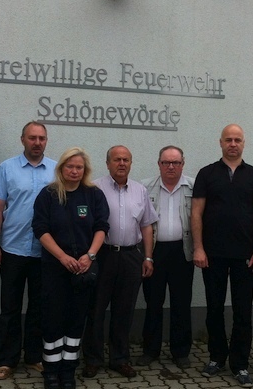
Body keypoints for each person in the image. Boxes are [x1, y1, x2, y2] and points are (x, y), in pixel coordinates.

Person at [191, 124, 253, 388]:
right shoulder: (206, 174)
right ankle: (216, 357)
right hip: (212, 256)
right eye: (228, 140)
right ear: (220, 143)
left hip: (245, 257)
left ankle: (240, 363)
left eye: (237, 140)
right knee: (214, 309)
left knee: (243, 312)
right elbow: (196, 214)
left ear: (244, 143)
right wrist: (198, 248)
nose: (232, 144)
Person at [32, 147, 110, 389]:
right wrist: (62, 257)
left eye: (79, 167)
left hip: (83, 269)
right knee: (53, 319)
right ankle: (51, 371)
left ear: (84, 170)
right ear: (61, 168)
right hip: (55, 268)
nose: (75, 171)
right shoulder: (48, 195)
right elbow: (40, 230)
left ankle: (68, 371)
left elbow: (101, 227)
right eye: (70, 166)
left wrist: (90, 256)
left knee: (76, 320)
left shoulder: (93, 195)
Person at [0, 121, 57, 380]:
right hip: (13, 250)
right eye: (32, 138)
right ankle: (6, 360)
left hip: (45, 253)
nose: (37, 142)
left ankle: (34, 357)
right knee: (10, 309)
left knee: (39, 307)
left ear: (46, 141)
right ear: (23, 140)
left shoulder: (55, 170)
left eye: (41, 138)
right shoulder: (7, 168)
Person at [82, 145, 157, 379]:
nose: (122, 163)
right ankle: (93, 359)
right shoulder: (94, 188)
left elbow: (146, 225)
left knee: (124, 310)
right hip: (103, 255)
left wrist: (147, 256)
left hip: (130, 256)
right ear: (108, 163)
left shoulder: (140, 190)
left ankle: (119, 359)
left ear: (131, 163)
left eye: (126, 159)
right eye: (117, 159)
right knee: (96, 309)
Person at [136, 146, 195, 369]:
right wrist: (146, 256)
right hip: (154, 252)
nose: (171, 166)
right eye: (166, 162)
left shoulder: (193, 187)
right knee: (153, 302)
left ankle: (181, 352)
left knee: (181, 302)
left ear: (183, 164)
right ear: (158, 164)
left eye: (176, 163)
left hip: (183, 252)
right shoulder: (144, 187)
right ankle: (150, 350)